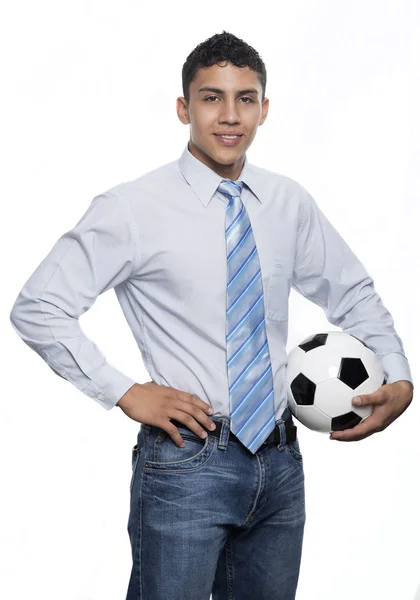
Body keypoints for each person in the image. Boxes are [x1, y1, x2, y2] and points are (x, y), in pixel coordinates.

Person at [9, 30, 414, 600]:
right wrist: (124, 390)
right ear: (184, 108)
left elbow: (354, 293)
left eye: (245, 98)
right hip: (185, 465)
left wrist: (398, 375)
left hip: (280, 463)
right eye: (211, 97)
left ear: (264, 109)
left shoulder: (286, 201)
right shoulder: (132, 209)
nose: (230, 116)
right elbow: (38, 307)